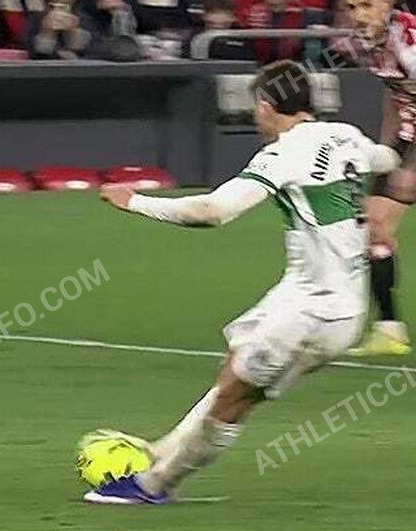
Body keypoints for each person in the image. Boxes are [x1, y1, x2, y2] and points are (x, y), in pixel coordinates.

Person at [84, 60, 400, 505]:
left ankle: (154, 485)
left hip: (316, 310)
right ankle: (163, 450)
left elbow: (213, 211)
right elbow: (386, 157)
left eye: (257, 108)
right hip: (323, 297)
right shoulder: (344, 135)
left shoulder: (284, 154)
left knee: (235, 398)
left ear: (266, 106)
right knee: (236, 368)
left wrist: (134, 201)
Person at [345, 0, 414, 356]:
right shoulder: (373, 39)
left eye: (367, 5)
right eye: (351, 6)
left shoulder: (409, 41)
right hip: (407, 137)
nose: (358, 15)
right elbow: (396, 95)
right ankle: (389, 331)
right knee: (373, 227)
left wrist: (404, 156)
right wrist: (386, 150)